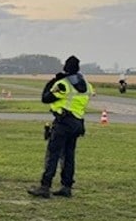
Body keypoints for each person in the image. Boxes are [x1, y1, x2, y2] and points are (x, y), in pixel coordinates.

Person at [28, 56, 94, 198]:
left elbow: (46, 98)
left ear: (66, 67)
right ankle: (67, 186)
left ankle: (45, 186)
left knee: (53, 154)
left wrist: (53, 81)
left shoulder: (63, 84)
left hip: (63, 122)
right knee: (69, 156)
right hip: (78, 123)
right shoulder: (86, 85)